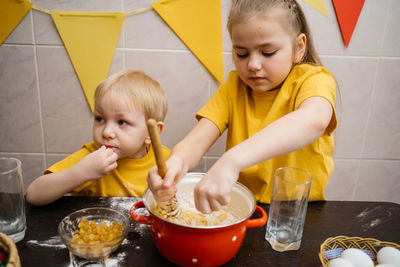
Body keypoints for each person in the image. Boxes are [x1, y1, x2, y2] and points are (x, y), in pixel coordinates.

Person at [147, 0, 337, 214]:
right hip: (245, 210)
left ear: (298, 48)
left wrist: (231, 161)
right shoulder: (233, 88)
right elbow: (195, 143)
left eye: (268, 52)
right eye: (242, 54)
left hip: (301, 213)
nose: (253, 65)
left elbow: (314, 119)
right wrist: (174, 166)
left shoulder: (314, 80)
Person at [26, 69, 170, 205]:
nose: (107, 132)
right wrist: (81, 173)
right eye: (100, 119)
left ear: (151, 133)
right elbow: (33, 195)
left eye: (121, 122)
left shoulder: (167, 161)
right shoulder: (90, 157)